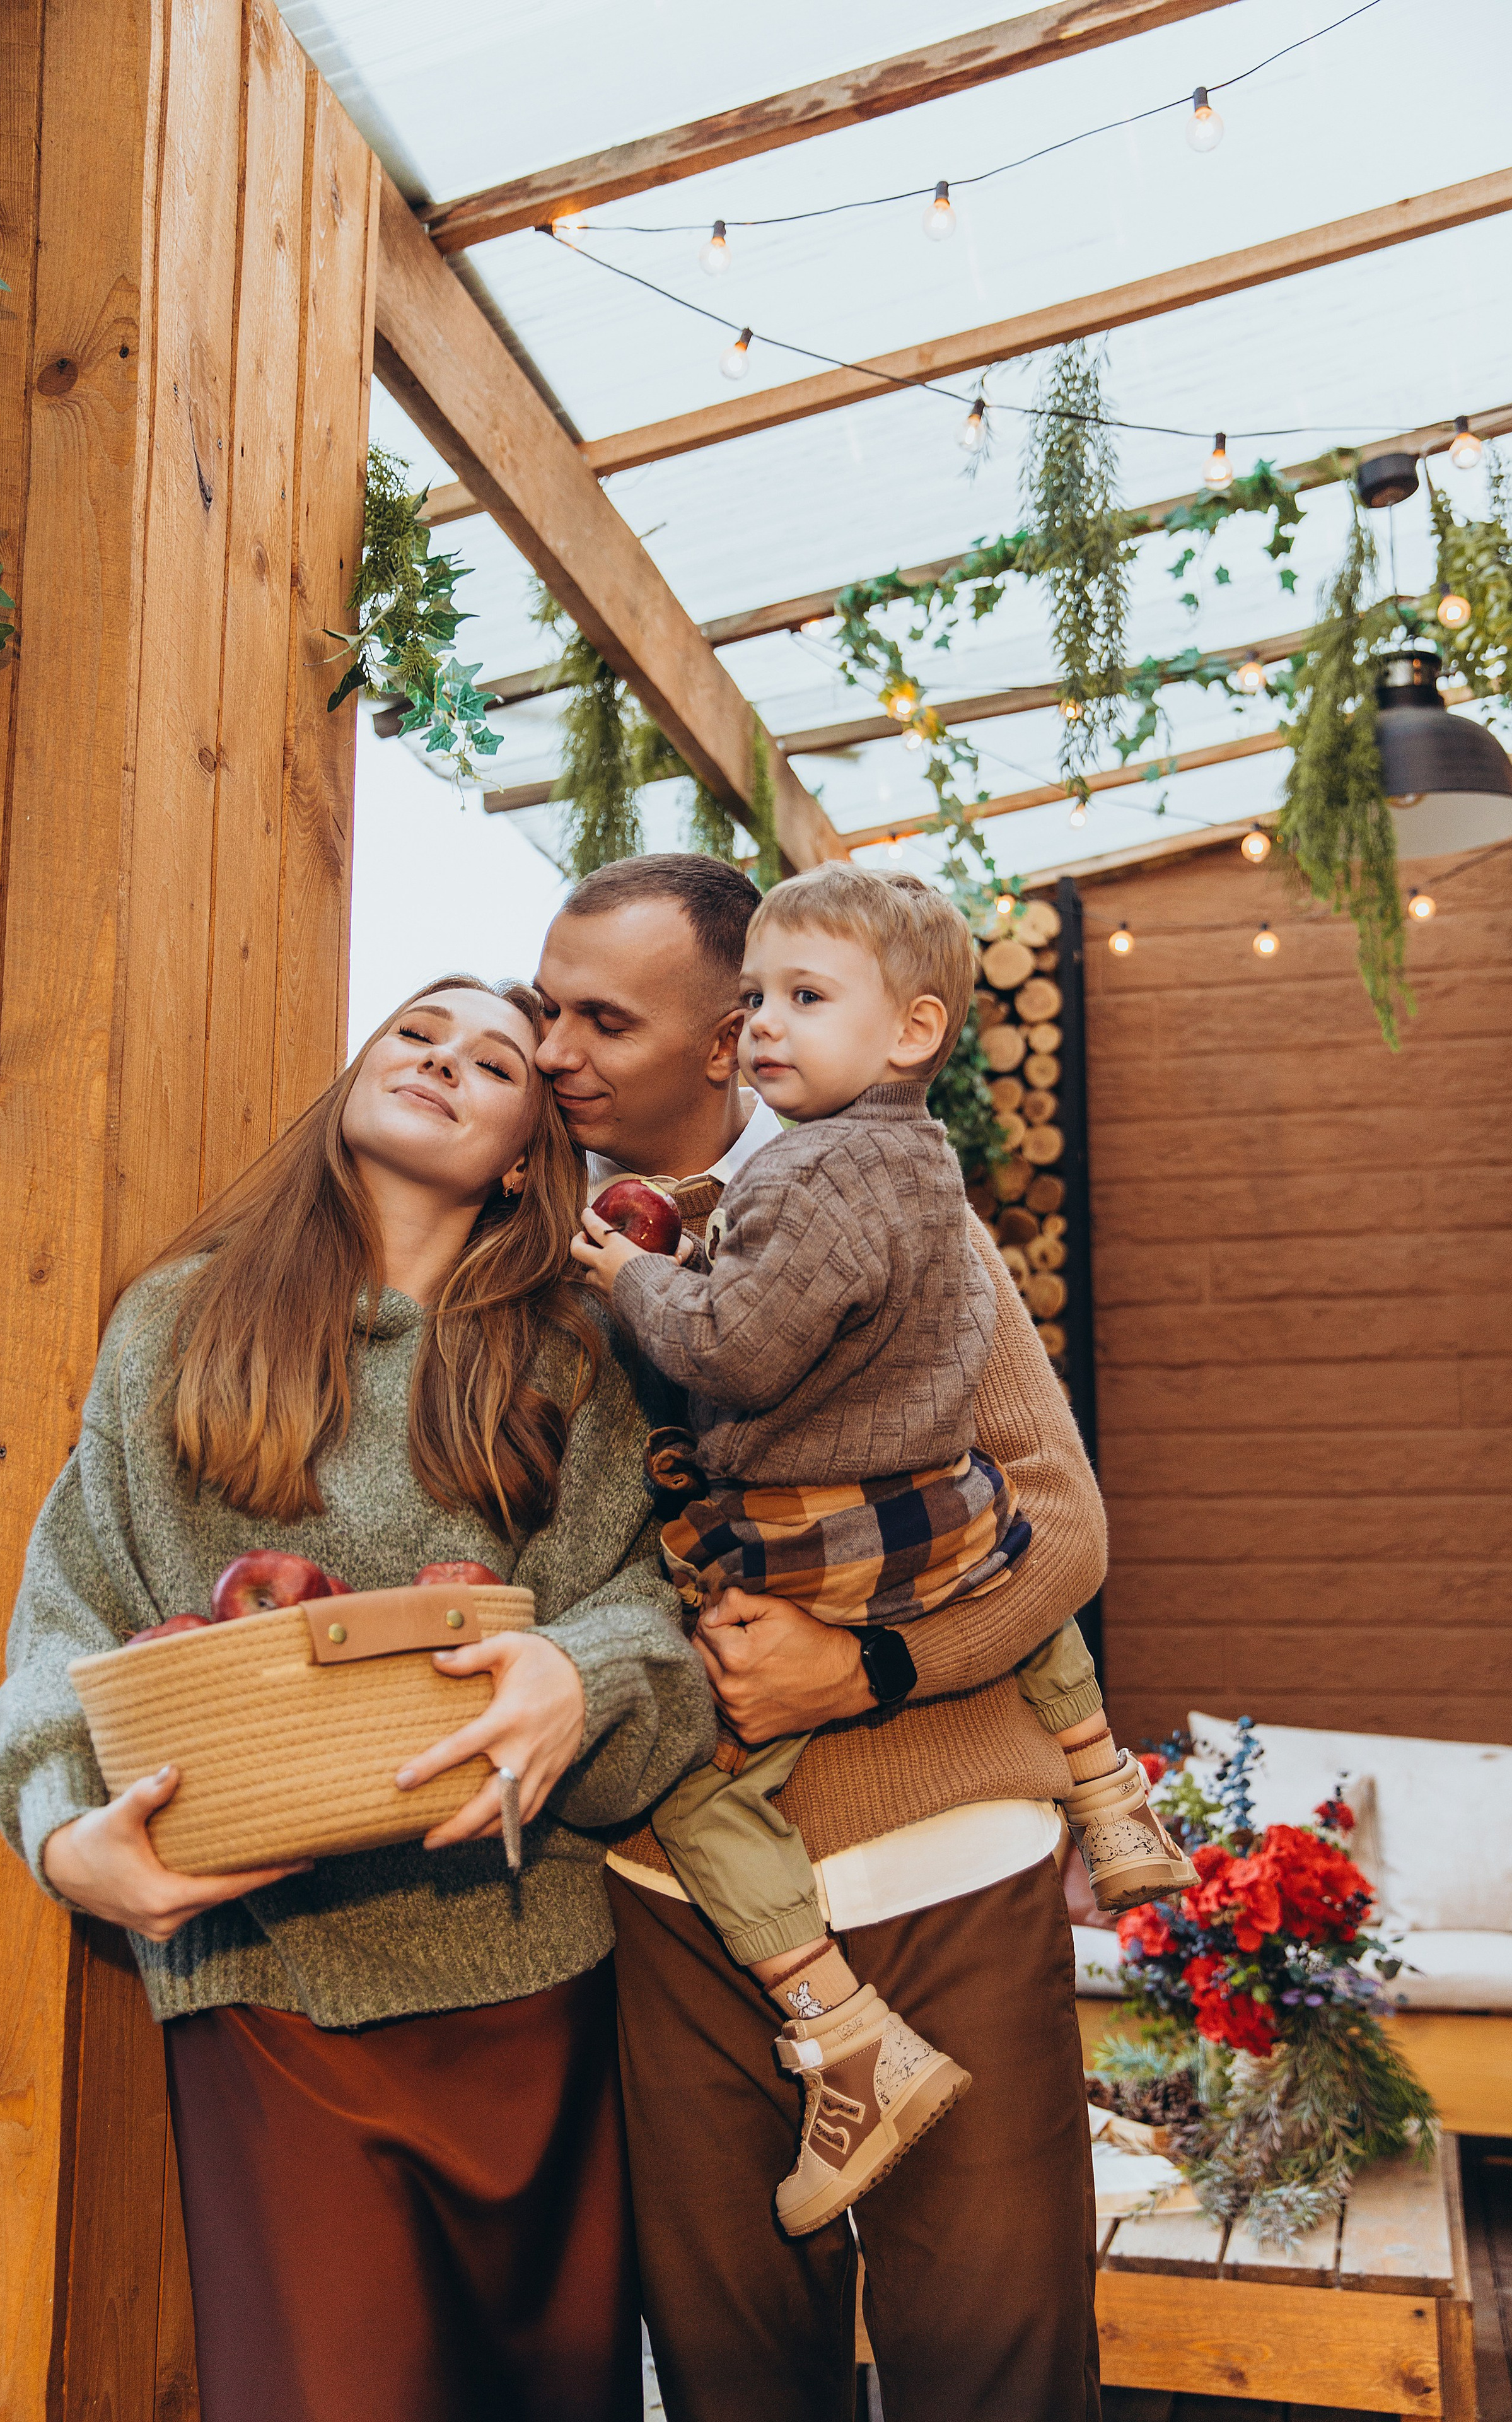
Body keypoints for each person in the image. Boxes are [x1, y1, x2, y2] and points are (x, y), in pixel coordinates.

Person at [0, 974, 715, 2422]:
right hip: (270, 1982)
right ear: (351, 1084)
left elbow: (640, 1603)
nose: (442, 1064)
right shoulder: (175, 1326)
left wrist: (580, 1671)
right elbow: (65, 1617)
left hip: (534, 1981)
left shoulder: (568, 1354)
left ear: (524, 1151)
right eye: (414, 1037)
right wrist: (68, 1838)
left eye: (491, 1062)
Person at [534, 854, 1109, 2420]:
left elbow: (1061, 1524)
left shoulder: (892, 1218)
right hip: (679, 1904)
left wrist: (868, 1669)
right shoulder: (532, 1262)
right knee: (727, 2376)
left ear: (725, 1041)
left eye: (599, 1018)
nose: (549, 1053)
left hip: (945, 1861)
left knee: (996, 2368)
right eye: (542, 1012)